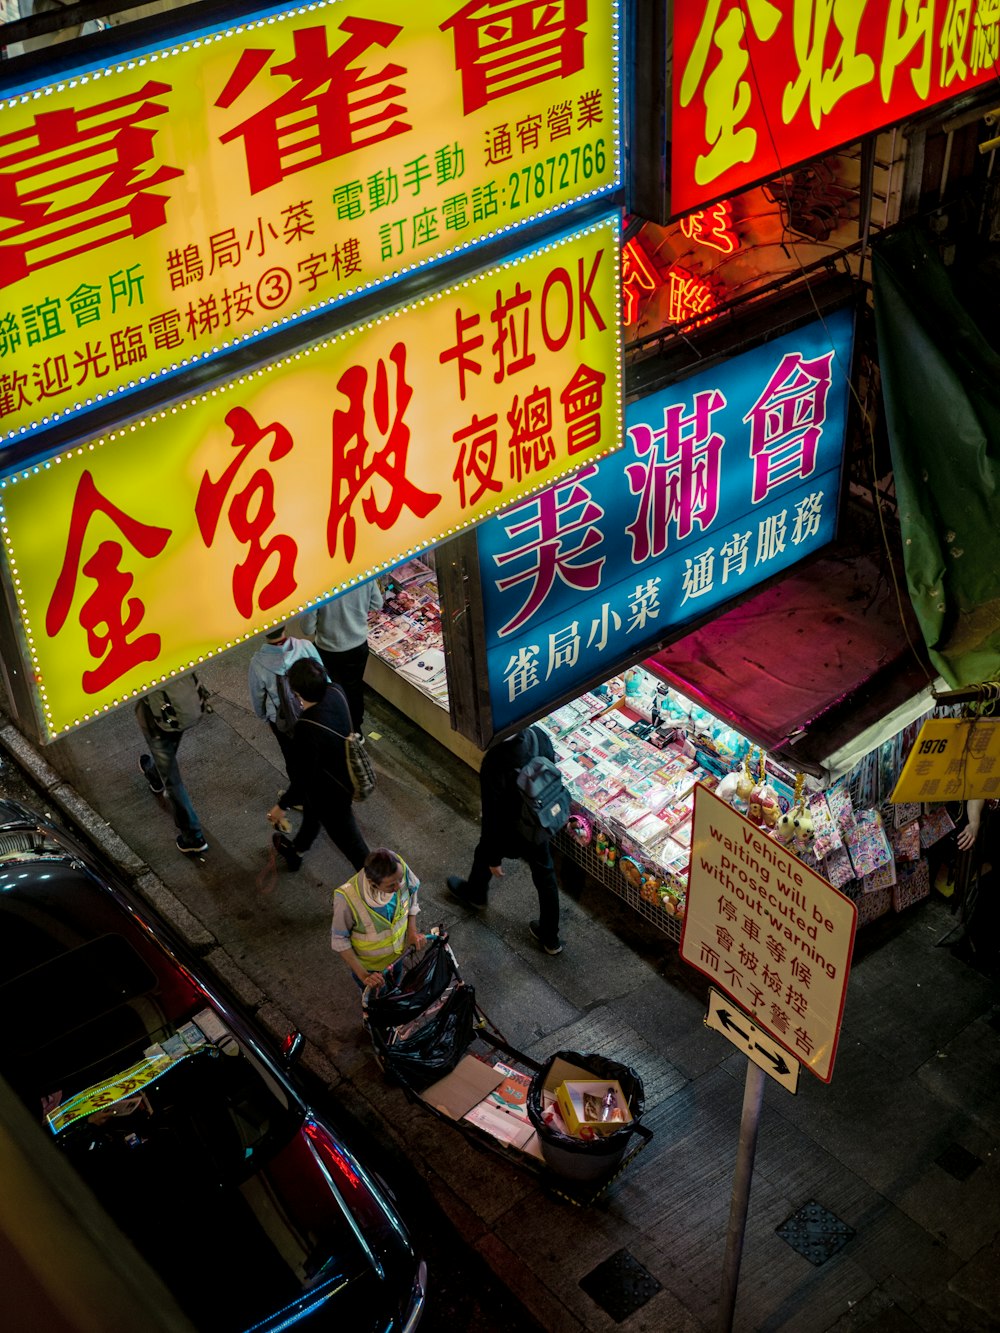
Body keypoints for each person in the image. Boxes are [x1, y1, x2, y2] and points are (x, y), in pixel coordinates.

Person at [447, 726, 564, 955]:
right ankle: (550, 938)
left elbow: (491, 815)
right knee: (545, 876)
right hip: (539, 822)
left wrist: (494, 857)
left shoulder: (494, 762)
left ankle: (476, 894)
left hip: (510, 829)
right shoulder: (538, 736)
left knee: (484, 852)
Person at [267, 657, 370, 873]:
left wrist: (282, 805)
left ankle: (379, 886)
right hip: (342, 775)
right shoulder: (336, 691)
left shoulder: (307, 727)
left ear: (298, 693)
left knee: (354, 847)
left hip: (331, 793)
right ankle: (297, 852)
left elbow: (303, 777)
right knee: (313, 814)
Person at [331, 847, 424, 993]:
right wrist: (364, 975)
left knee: (395, 990)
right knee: (377, 1003)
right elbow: (339, 940)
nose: (399, 886)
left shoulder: (399, 869)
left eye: (399, 880)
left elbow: (412, 894)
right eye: (391, 885)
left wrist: (412, 931)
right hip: (370, 968)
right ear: (373, 884)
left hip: (396, 958)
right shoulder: (347, 900)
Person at [136, 677, 208, 857]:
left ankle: (193, 837)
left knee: (172, 778)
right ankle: (154, 773)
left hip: (157, 712)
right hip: (183, 703)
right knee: (167, 755)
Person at [300, 580, 383, 733]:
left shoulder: (317, 586)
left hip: (327, 649)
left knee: (330, 690)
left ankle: (335, 728)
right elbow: (377, 603)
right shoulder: (363, 575)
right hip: (358, 646)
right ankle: (356, 730)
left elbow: (307, 628)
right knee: (354, 688)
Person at [247, 623, 324, 784]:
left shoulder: (257, 663)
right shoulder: (305, 646)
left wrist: (264, 717)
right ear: (285, 626)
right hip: (311, 713)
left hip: (282, 719)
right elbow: (324, 680)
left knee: (292, 756)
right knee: (316, 752)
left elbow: (257, 696)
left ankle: (299, 796)